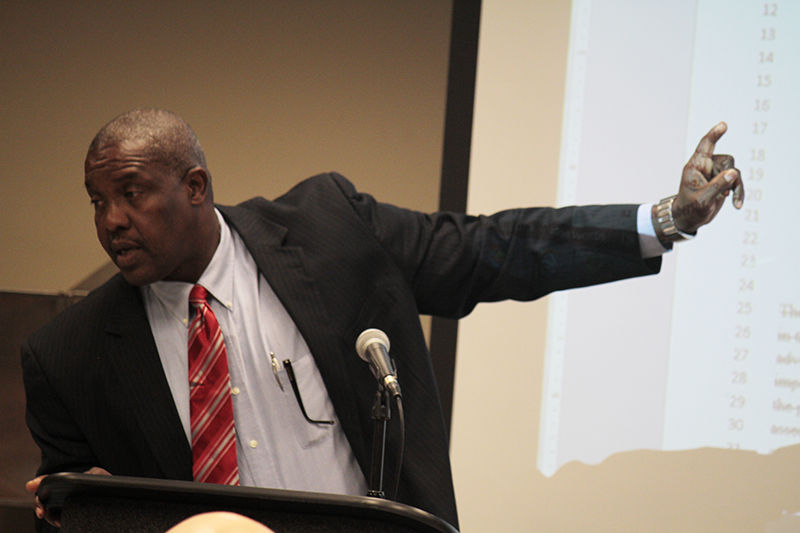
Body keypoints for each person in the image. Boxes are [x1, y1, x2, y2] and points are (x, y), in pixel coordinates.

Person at [22, 109, 744, 530]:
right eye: (96, 200)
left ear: (196, 186)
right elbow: (75, 505)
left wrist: (664, 219)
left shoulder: (332, 232)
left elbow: (495, 248)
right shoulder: (69, 354)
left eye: (131, 193)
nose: (111, 220)